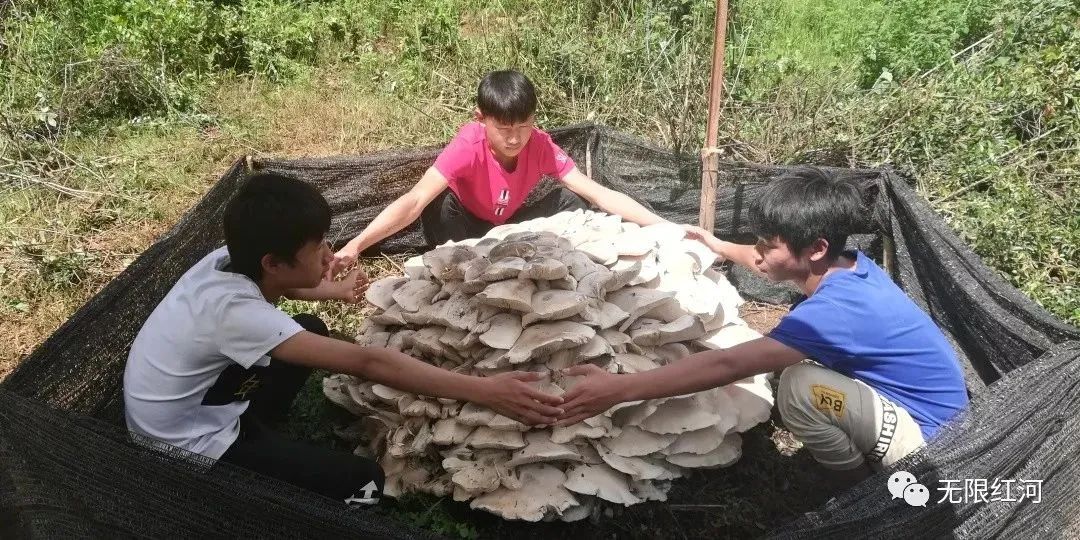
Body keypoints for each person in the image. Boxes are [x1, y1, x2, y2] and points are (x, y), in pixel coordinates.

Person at [123, 172, 563, 506]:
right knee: (366, 483)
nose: (330, 255)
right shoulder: (236, 316)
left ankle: (265, 426)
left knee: (311, 328)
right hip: (180, 447)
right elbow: (368, 363)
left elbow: (278, 285)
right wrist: (488, 391)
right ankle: (284, 499)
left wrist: (325, 288)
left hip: (190, 404)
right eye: (317, 251)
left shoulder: (226, 260)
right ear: (274, 261)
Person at [556, 166, 969, 485]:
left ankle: (865, 495)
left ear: (816, 247)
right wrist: (716, 245)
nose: (759, 254)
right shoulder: (850, 267)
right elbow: (766, 262)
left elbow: (728, 366)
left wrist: (617, 389)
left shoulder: (833, 312)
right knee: (806, 376)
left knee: (799, 387)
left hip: (935, 447)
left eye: (768, 245)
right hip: (932, 415)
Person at [327, 69, 668, 279]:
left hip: (509, 228)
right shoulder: (468, 144)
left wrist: (667, 227)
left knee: (569, 199)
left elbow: (599, 193)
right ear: (481, 118)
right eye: (504, 127)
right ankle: (461, 270)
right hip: (465, 228)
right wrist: (356, 245)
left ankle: (553, 266)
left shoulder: (540, 145)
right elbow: (414, 200)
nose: (515, 137)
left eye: (524, 125)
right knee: (439, 204)